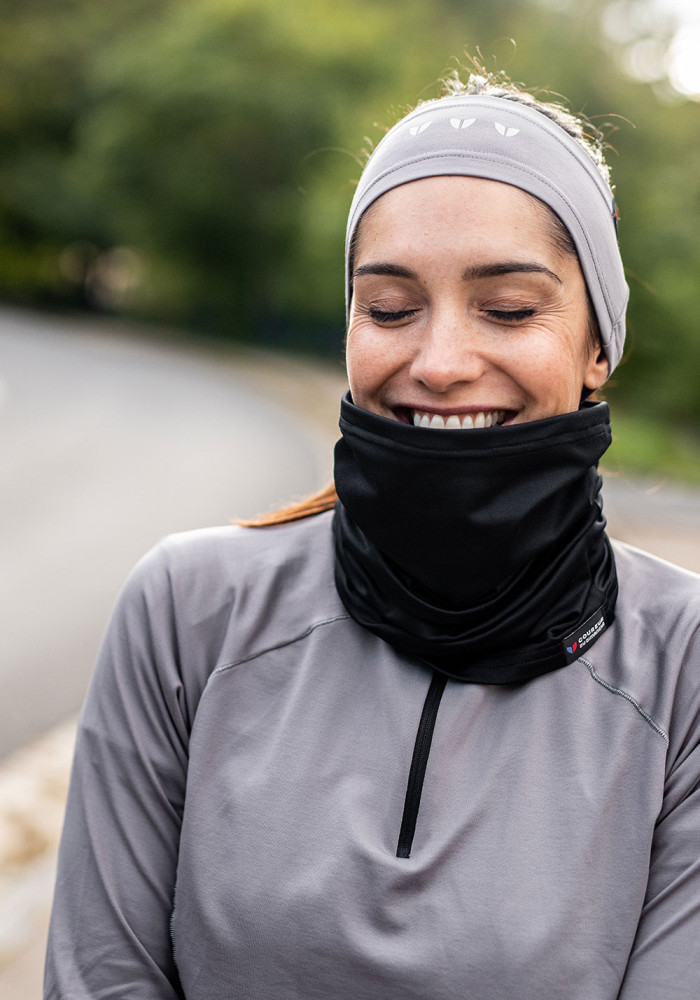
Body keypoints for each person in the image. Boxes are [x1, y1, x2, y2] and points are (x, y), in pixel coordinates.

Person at [44, 70, 700, 1000]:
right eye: (389, 308)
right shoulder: (188, 613)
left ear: (599, 345)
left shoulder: (686, 668)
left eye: (509, 309)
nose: (438, 363)